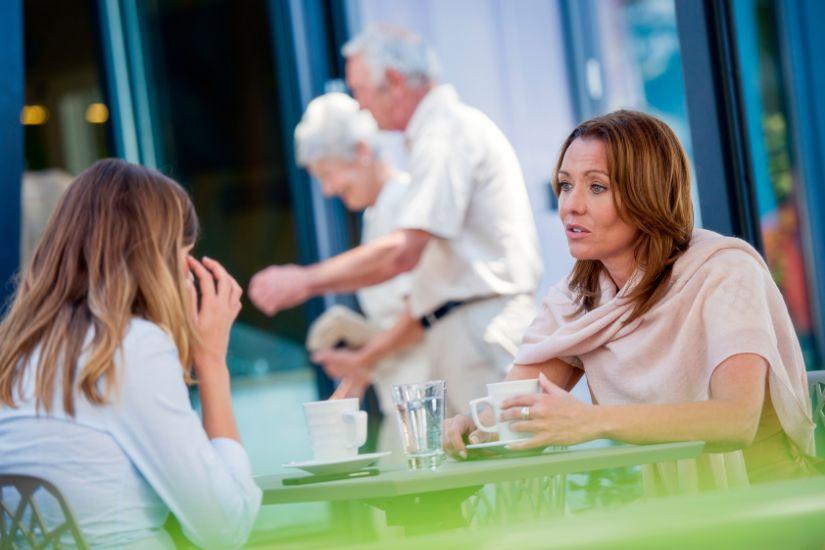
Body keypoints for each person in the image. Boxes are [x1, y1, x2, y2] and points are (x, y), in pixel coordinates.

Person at [443, 110, 820, 488]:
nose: (570, 205)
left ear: (648, 193)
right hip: (677, 510)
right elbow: (516, 415)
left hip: (771, 500)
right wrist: (477, 430)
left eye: (597, 187)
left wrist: (589, 421)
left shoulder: (723, 271)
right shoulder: (577, 300)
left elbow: (736, 421)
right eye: (565, 184)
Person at [250, 25, 543, 414]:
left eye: (359, 90)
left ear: (393, 81)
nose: (360, 106)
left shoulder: (446, 132)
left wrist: (304, 281)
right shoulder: (434, 136)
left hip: (479, 327)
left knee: (509, 464)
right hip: (464, 328)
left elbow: (402, 253)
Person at [0, 159, 261, 548]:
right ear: (156, 259)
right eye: (181, 255)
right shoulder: (131, 347)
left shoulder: (14, 352)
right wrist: (211, 361)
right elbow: (225, 528)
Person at [293, 91, 429, 421]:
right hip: (400, 393)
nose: (327, 190)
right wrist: (350, 387)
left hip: (426, 394)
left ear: (362, 151)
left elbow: (421, 312)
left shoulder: (403, 204)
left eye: (328, 174)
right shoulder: (375, 214)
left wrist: (362, 358)